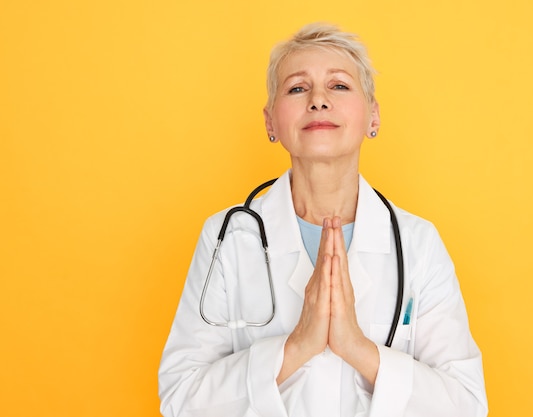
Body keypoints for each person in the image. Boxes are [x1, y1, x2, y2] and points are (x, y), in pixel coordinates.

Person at [158, 23, 488, 417]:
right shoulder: (229, 237)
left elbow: (467, 404)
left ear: (373, 117)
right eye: (297, 88)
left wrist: (358, 349)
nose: (318, 100)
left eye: (340, 86)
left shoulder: (418, 243)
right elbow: (180, 397)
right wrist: (295, 347)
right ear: (270, 123)